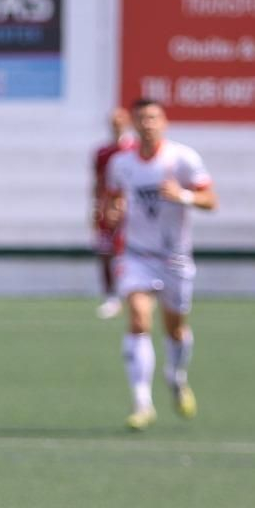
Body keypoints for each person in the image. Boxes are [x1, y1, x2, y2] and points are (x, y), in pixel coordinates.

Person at [103, 97, 218, 430]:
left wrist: (182, 195)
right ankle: (142, 402)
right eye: (141, 118)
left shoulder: (182, 159)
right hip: (136, 254)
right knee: (139, 318)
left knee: (175, 328)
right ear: (133, 124)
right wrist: (112, 214)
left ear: (164, 122)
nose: (147, 124)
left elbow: (211, 200)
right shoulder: (121, 163)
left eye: (153, 117)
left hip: (175, 258)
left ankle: (176, 377)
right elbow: (111, 203)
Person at [91, 107, 136, 320]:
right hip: (107, 208)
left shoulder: (135, 149)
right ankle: (110, 296)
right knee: (105, 252)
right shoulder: (102, 152)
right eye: (113, 122)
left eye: (120, 121)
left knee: (129, 252)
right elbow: (98, 183)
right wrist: (96, 208)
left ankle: (132, 292)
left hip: (132, 210)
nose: (116, 125)